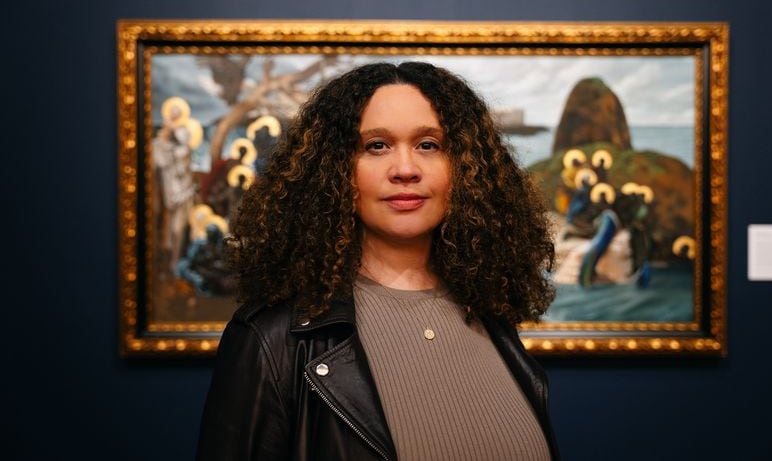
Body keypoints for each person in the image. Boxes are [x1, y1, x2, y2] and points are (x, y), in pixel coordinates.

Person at [197, 62, 559, 460]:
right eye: (376, 146)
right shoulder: (270, 340)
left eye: (428, 145)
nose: (405, 169)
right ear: (334, 170)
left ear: (465, 168)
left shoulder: (491, 317)